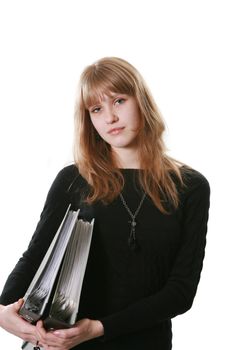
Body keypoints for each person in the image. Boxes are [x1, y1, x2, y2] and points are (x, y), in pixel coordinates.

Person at [0, 57, 210, 350]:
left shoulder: (190, 187)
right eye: (97, 109)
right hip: (65, 344)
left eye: (119, 101)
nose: (109, 117)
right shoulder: (73, 180)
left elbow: (180, 291)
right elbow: (36, 257)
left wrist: (99, 329)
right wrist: (4, 309)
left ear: (141, 101)